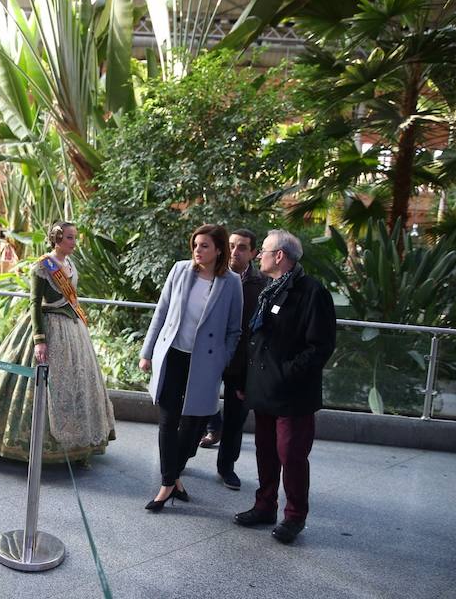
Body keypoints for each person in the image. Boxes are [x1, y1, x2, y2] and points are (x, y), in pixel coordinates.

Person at [0, 222, 116, 463]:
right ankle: (26, 444)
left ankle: (77, 445)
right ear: (57, 239)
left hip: (71, 331)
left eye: (74, 238)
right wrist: (40, 340)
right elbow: (34, 304)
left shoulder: (69, 263)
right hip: (47, 327)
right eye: (69, 238)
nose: (74, 243)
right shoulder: (42, 266)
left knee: (75, 383)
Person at [233, 230, 336, 544]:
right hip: (263, 390)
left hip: (293, 394)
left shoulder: (312, 292)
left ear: (279, 256)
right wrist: (244, 382)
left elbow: (320, 347)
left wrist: (287, 374)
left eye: (263, 250)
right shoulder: (269, 290)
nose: (259, 255)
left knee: (291, 456)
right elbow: (255, 341)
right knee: (265, 452)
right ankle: (264, 506)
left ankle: (294, 517)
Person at [138, 224, 243, 512]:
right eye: (195, 245)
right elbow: (161, 311)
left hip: (205, 363)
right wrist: (147, 352)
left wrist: (222, 359)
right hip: (173, 355)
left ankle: (173, 479)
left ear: (219, 249)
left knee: (193, 425)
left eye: (205, 245)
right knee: (168, 420)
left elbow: (234, 330)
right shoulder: (180, 270)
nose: (198, 250)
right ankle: (168, 484)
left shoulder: (231, 282)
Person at [197, 228, 267, 491]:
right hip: (209, 357)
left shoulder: (262, 286)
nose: (235, 251)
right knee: (195, 408)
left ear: (254, 253)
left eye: (242, 247)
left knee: (236, 419)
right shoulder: (209, 274)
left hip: (242, 363)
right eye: (231, 245)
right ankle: (183, 458)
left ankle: (227, 467)